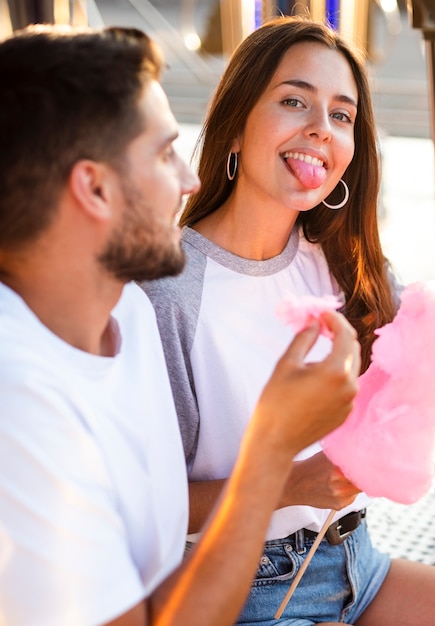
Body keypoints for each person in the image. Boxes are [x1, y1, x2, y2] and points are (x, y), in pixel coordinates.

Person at [141, 15, 435, 626]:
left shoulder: (339, 264)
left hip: (359, 564)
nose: (320, 129)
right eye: (295, 101)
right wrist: (291, 484)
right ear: (234, 126)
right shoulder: (168, 292)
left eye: (341, 115)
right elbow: (147, 509)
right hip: (243, 591)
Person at [0, 24, 363, 626]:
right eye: (165, 153)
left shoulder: (129, 314)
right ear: (93, 187)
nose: (191, 180)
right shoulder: (20, 402)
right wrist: (272, 451)